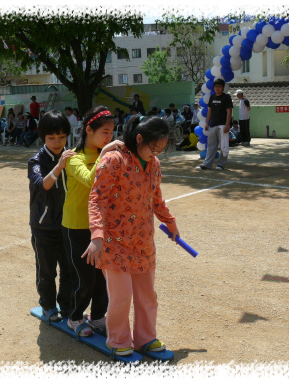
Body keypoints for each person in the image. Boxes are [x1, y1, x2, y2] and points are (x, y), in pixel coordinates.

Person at [84, 115, 179, 356]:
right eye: (154, 147)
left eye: (161, 148)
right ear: (139, 139)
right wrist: (96, 235)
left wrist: (170, 222)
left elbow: (156, 198)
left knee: (148, 295)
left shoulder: (154, 164)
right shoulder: (114, 160)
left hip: (143, 242)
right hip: (115, 243)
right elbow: (97, 200)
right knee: (121, 297)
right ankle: (118, 340)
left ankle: (145, 338)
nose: (156, 153)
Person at [62, 106, 124, 337]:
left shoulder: (105, 157)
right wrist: (106, 151)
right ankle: (75, 317)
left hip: (100, 226)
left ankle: (97, 316)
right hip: (76, 226)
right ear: (89, 130)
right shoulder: (73, 158)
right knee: (84, 277)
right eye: (105, 132)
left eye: (111, 132)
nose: (110, 137)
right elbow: (91, 180)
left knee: (101, 277)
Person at [28, 110, 75, 322]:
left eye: (62, 137)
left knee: (69, 269)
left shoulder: (72, 157)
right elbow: (42, 185)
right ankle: (48, 305)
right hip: (43, 226)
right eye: (51, 137)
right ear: (43, 137)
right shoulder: (36, 161)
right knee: (47, 271)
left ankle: (66, 306)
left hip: (68, 224)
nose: (57, 142)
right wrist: (59, 166)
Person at [197, 78, 233, 171]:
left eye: (219, 86)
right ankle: (207, 164)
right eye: (216, 86)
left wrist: (227, 125)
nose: (217, 88)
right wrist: (207, 123)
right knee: (211, 145)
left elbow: (229, 112)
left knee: (224, 146)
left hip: (222, 125)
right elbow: (210, 111)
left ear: (223, 87)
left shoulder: (226, 97)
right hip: (213, 125)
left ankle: (221, 164)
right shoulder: (212, 97)